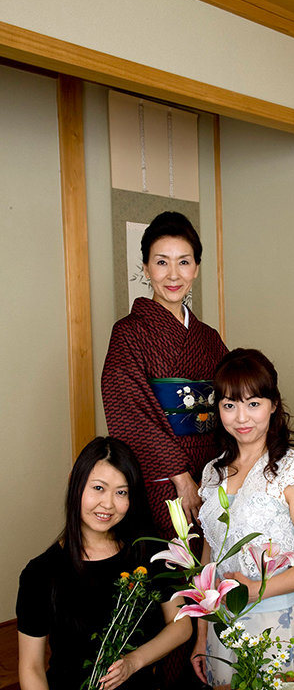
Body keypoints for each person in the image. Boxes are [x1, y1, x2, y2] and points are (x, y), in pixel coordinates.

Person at [191, 349, 294, 687]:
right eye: (229, 405)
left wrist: (258, 589)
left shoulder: (291, 469)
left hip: (276, 621)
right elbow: (209, 558)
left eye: (253, 403)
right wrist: (201, 634)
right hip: (222, 624)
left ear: (273, 405)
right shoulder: (213, 472)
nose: (242, 417)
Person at [16, 437, 192, 690]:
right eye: (98, 488)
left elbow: (182, 625)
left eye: (121, 492)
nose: (108, 504)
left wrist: (134, 662)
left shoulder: (149, 550)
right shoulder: (40, 572)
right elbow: (31, 667)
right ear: (75, 483)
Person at [101, 211, 227, 537]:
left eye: (184, 262)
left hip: (213, 470)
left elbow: (234, 398)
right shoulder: (128, 333)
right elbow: (130, 413)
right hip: (160, 477)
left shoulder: (208, 337)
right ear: (145, 268)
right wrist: (181, 478)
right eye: (161, 262)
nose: (173, 275)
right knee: (170, 557)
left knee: (216, 554)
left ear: (196, 268)